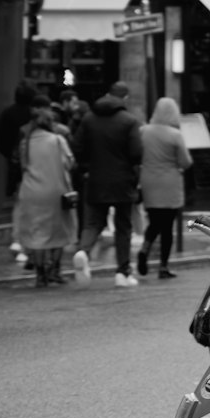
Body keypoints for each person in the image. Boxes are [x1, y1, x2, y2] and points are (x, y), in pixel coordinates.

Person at [72, 80, 143, 288]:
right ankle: (122, 273)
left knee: (93, 222)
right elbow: (137, 153)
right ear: (125, 99)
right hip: (122, 181)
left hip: (95, 178)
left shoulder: (89, 119)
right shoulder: (129, 121)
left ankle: (83, 251)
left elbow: (76, 147)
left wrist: (87, 167)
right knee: (123, 227)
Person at [13, 95, 77, 287]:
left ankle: (40, 274)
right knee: (58, 231)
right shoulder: (57, 140)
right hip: (55, 191)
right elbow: (69, 162)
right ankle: (54, 270)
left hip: (31, 191)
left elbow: (23, 165)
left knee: (36, 233)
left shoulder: (26, 142)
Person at [137, 96, 193, 280]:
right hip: (169, 182)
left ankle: (145, 249)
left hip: (148, 180)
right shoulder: (174, 135)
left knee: (154, 221)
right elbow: (185, 162)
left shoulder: (143, 131)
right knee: (167, 226)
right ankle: (163, 266)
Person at [0, 80, 37, 264]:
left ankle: (17, 238)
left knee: (19, 202)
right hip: (35, 163)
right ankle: (26, 241)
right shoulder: (34, 115)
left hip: (16, 164)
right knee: (33, 205)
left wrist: (10, 154)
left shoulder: (8, 113)